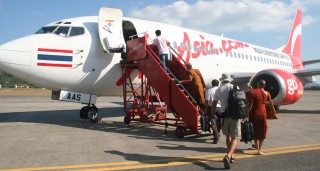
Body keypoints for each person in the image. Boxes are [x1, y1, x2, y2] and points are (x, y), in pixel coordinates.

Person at [211, 73, 240, 169]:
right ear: (229, 79)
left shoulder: (219, 89)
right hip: (235, 116)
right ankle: (228, 155)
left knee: (228, 136)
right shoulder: (236, 87)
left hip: (223, 116)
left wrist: (212, 115)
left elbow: (214, 103)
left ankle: (231, 155)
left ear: (222, 80)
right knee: (235, 137)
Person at [247, 79, 268, 155]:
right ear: (264, 85)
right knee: (262, 131)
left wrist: (247, 113)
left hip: (253, 113)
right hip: (262, 114)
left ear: (258, 84)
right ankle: (259, 149)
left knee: (254, 130)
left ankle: (255, 145)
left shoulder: (253, 92)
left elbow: (250, 103)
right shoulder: (266, 93)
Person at [205, 79, 221, 143]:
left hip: (213, 108)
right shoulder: (220, 90)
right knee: (219, 122)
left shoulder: (209, 91)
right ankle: (218, 134)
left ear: (212, 84)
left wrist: (206, 109)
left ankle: (216, 137)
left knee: (213, 122)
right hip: (220, 108)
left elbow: (207, 101)